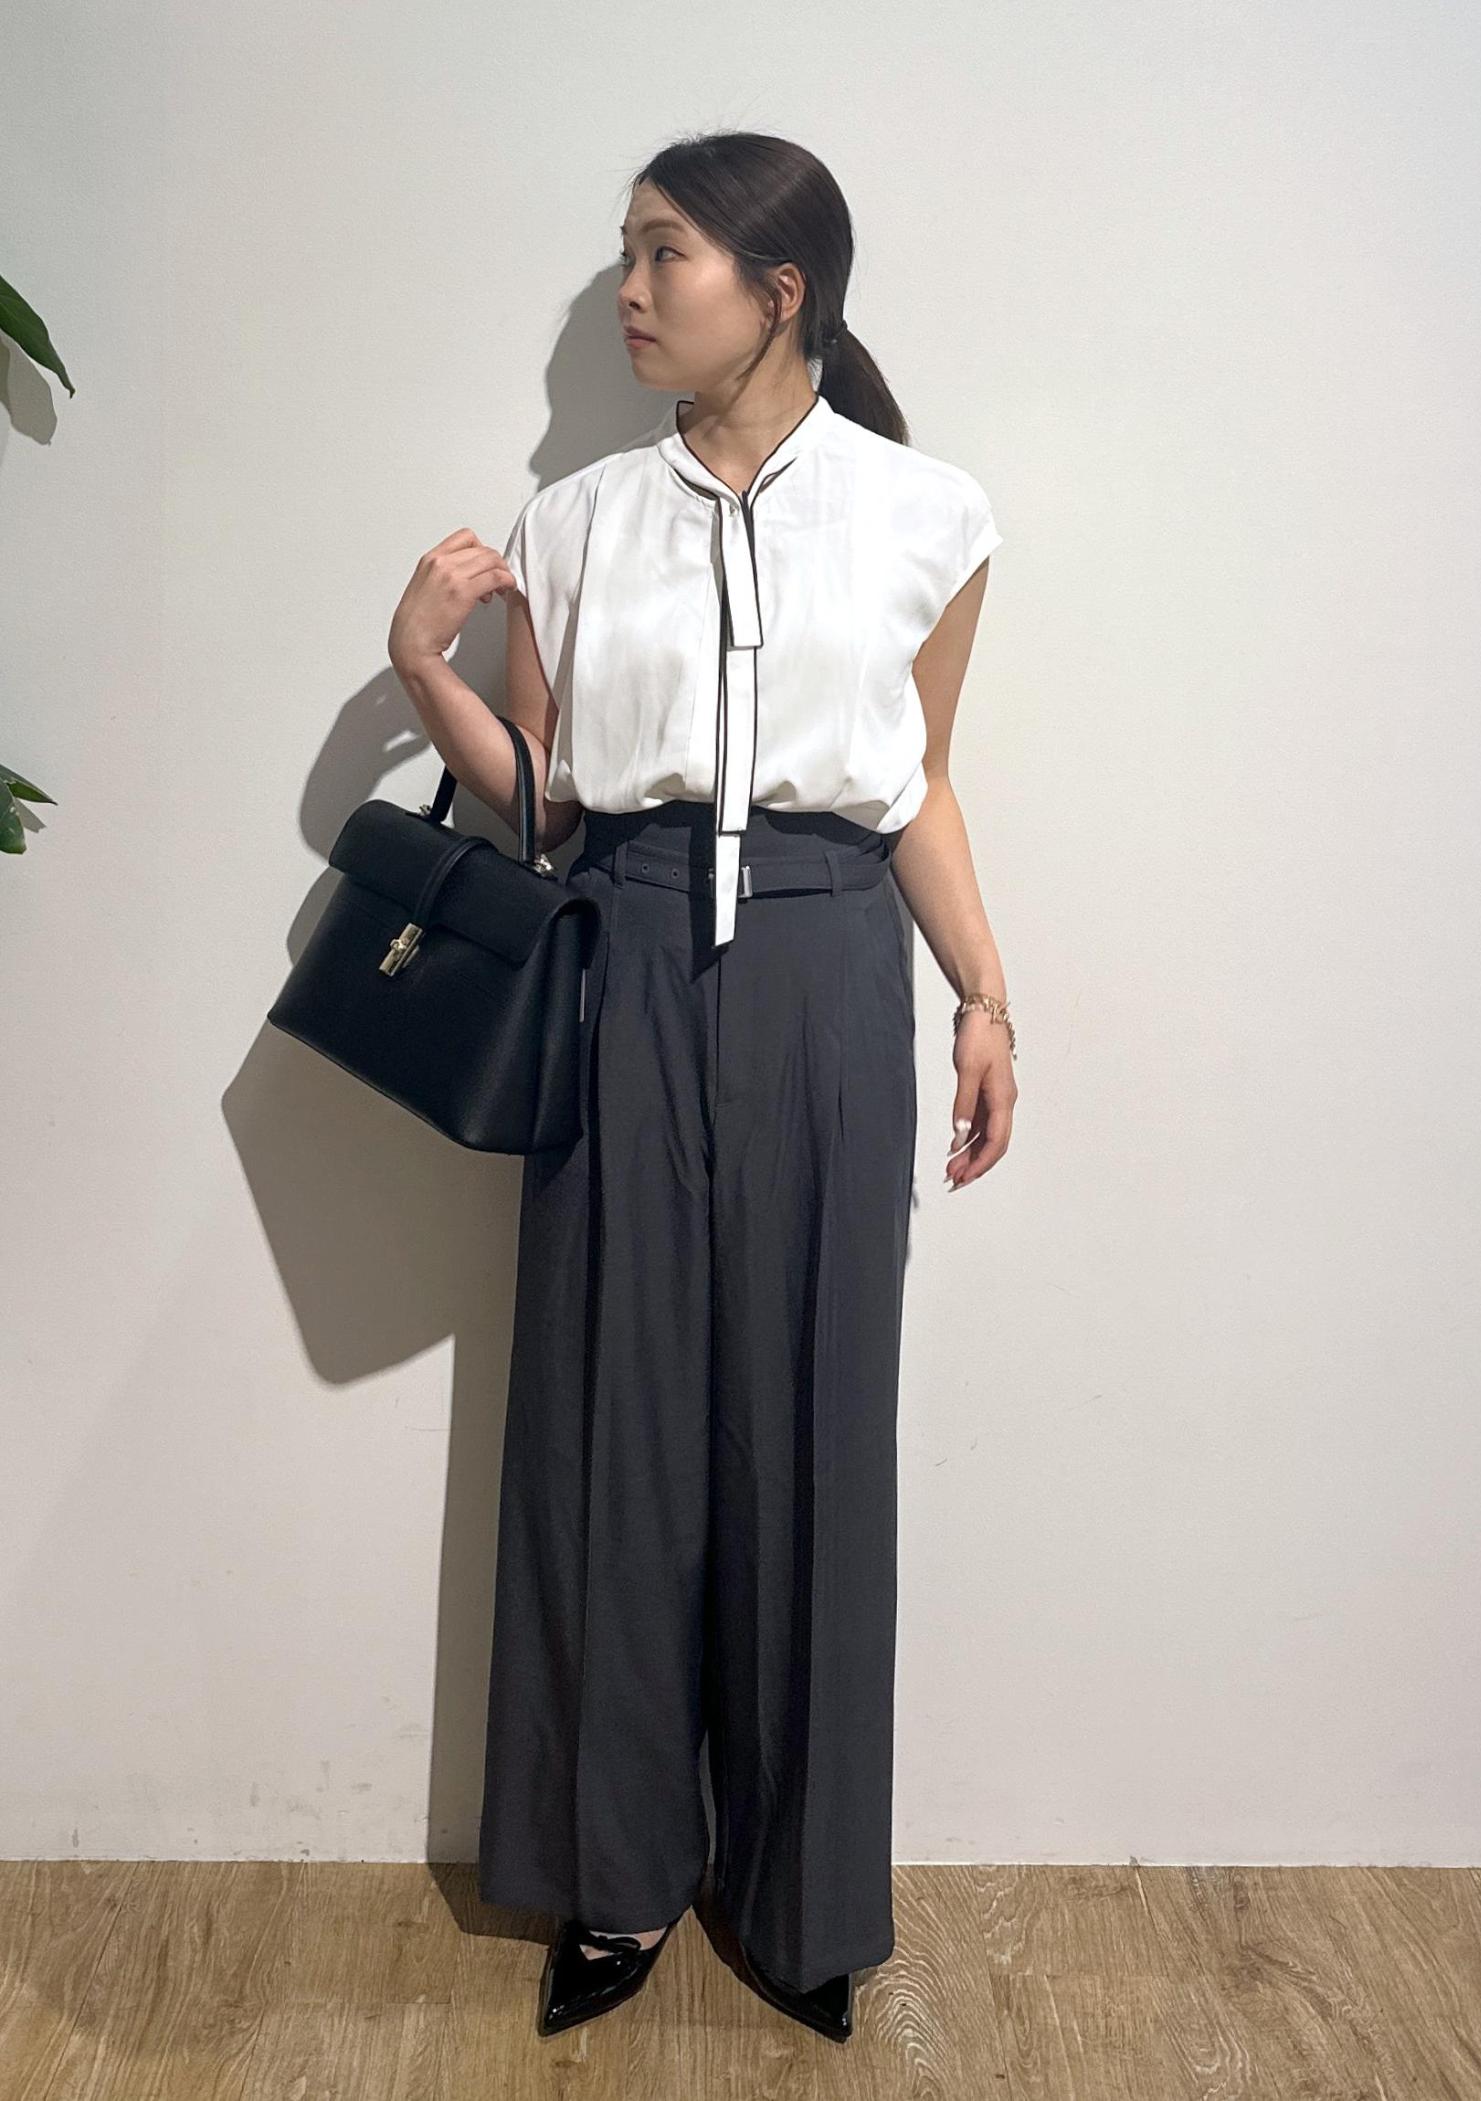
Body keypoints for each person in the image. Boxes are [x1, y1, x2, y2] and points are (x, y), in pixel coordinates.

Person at [387, 129, 1018, 2046]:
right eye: (629, 255)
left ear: (782, 288)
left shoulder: (931, 514)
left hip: (831, 965)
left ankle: (804, 1892)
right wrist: (422, 667)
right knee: (616, 1411)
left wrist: (986, 993)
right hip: (627, 946)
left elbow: (914, 782)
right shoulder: (576, 520)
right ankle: (615, 1871)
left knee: (814, 1415)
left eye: (667, 254)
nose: (636, 290)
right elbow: (548, 800)